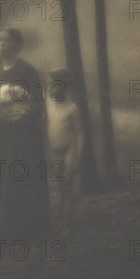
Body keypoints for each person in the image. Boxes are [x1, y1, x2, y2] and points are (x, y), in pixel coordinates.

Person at [0, 27, 49, 241]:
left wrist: (23, 115)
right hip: (2, 134)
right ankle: (2, 231)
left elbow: (39, 103)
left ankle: (27, 229)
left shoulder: (27, 71)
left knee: (20, 179)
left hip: (23, 134)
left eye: (6, 40)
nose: (1, 44)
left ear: (17, 45)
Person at [45, 68, 84, 223]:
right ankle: (62, 216)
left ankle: (69, 218)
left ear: (62, 87)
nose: (49, 88)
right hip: (55, 149)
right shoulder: (48, 103)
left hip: (69, 149)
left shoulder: (72, 108)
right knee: (59, 185)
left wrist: (78, 155)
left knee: (68, 183)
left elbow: (80, 133)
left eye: (52, 85)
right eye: (48, 85)